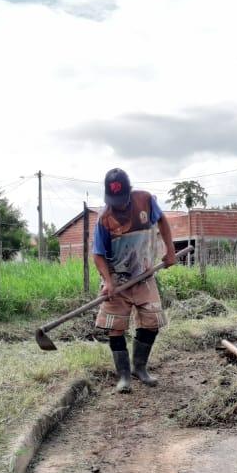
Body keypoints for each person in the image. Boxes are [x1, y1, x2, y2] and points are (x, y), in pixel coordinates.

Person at [92, 167, 176, 393]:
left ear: (129, 192)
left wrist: (170, 251)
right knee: (115, 328)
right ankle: (124, 376)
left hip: (144, 274)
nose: (117, 204)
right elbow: (98, 254)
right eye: (113, 200)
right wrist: (108, 282)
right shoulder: (104, 219)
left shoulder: (145, 201)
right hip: (117, 278)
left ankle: (140, 367)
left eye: (121, 199)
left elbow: (163, 222)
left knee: (152, 322)